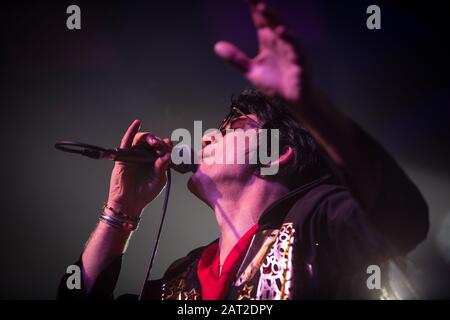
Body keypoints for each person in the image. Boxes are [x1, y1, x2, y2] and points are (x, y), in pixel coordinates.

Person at [58, 0, 428, 300]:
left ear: (278, 153)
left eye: (230, 127)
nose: (204, 139)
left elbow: (403, 220)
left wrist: (309, 105)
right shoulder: (182, 278)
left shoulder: (319, 220)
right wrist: (121, 212)